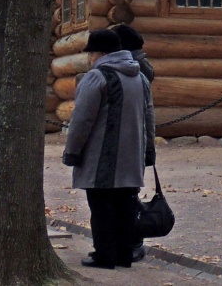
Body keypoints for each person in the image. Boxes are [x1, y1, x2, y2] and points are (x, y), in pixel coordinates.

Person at [62, 28, 155, 269]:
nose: (90, 58)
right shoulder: (141, 78)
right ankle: (125, 254)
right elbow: (148, 117)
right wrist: (148, 150)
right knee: (126, 208)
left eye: (91, 53)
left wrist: (72, 152)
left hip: (101, 158)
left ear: (100, 53)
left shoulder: (96, 78)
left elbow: (82, 120)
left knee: (102, 209)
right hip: (132, 157)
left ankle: (104, 255)